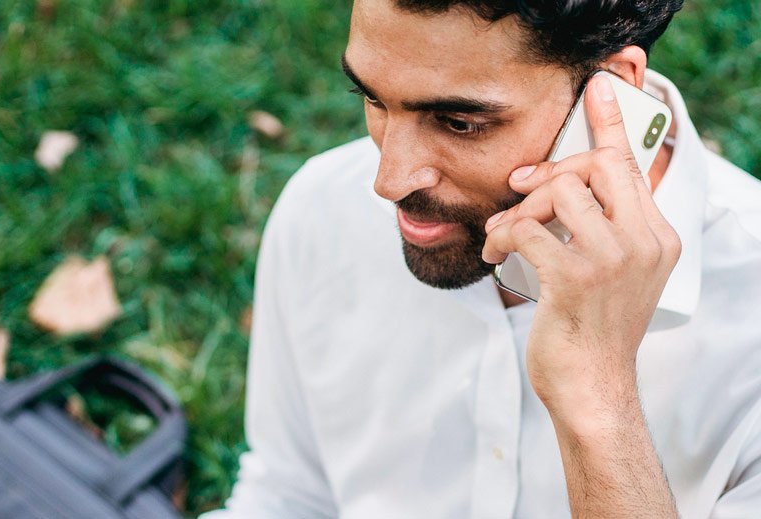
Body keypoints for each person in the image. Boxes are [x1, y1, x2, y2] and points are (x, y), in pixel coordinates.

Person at [203, 1, 761, 517]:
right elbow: (291, 493)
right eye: (372, 98)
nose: (388, 181)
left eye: (459, 123)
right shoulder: (321, 209)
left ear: (612, 91)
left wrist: (599, 403)